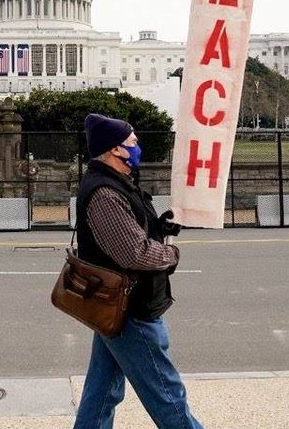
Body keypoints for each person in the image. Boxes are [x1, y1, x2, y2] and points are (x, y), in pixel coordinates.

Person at [73, 113, 201, 429]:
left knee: (102, 394)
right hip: (131, 309)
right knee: (168, 397)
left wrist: (161, 226)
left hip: (116, 305)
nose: (137, 146)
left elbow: (132, 233)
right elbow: (134, 253)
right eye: (132, 142)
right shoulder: (105, 192)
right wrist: (171, 255)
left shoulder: (118, 184)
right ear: (115, 150)